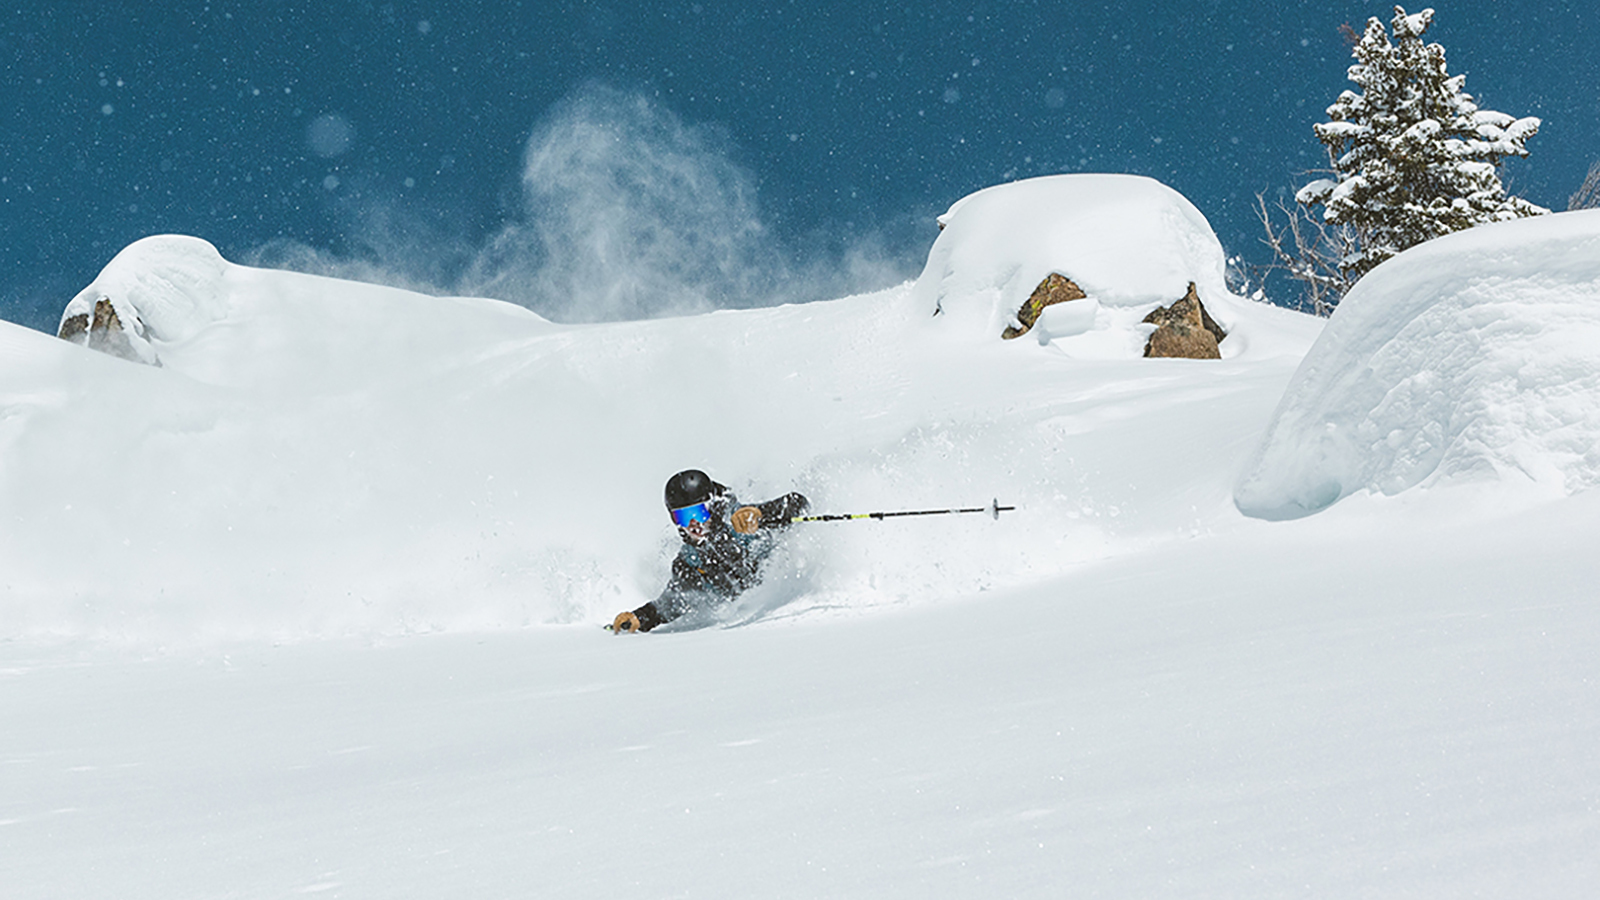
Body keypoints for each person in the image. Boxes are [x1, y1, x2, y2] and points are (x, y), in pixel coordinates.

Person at [612, 469, 809, 633]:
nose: (693, 524)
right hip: (743, 620)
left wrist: (761, 514)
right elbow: (673, 602)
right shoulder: (689, 561)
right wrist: (640, 617)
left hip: (786, 601)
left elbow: (798, 503)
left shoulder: (738, 520)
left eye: (698, 513)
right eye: (682, 517)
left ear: (711, 507)